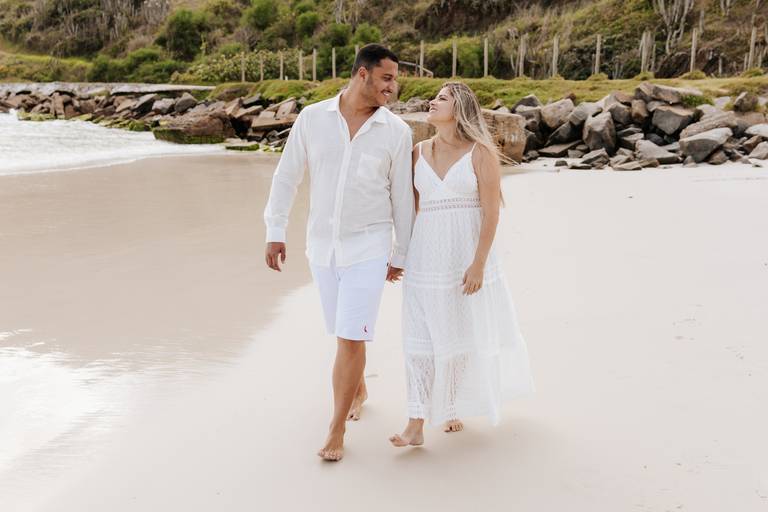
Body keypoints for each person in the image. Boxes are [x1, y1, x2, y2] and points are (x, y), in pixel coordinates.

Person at [264, 44, 414, 461]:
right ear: (362, 74)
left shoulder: (397, 132)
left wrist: (400, 253)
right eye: (386, 78)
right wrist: (275, 230)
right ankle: (358, 388)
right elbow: (287, 176)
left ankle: (335, 430)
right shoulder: (313, 118)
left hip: (369, 246)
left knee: (350, 336)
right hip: (322, 247)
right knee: (343, 331)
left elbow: (402, 197)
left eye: (394, 80)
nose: (392, 87)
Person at [389, 82, 534, 448]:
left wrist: (478, 264)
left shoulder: (480, 153)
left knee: (459, 334)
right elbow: (410, 210)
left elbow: (491, 213)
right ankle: (415, 423)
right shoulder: (417, 153)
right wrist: (400, 254)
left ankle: (450, 403)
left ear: (460, 109)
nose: (432, 102)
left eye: (442, 98)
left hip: (464, 258)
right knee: (419, 339)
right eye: (435, 97)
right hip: (425, 259)